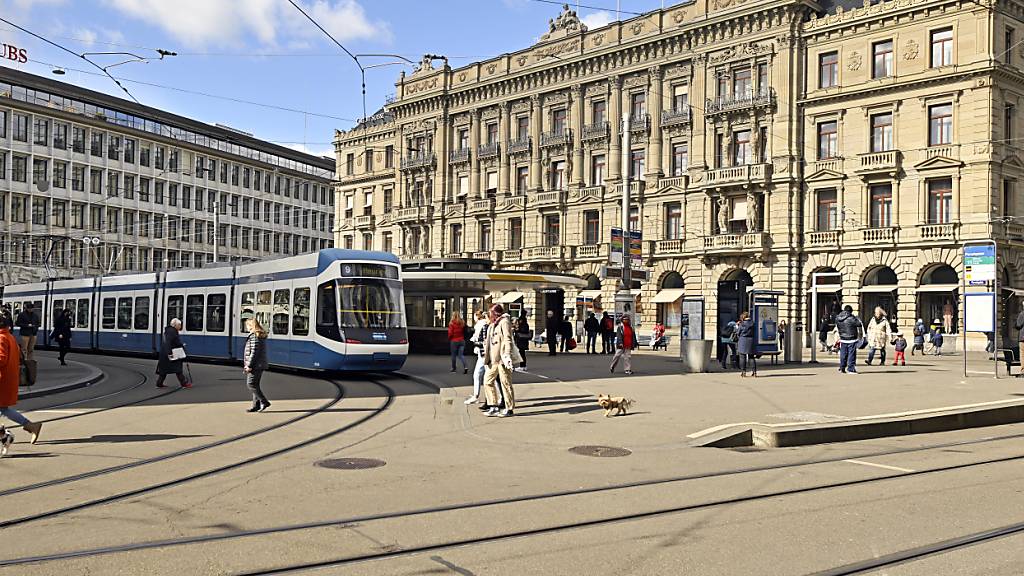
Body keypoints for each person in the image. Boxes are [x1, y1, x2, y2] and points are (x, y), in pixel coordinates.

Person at [0, 314, 42, 444]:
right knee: (4, 409)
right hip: (8, 378)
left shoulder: (1, 338)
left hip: (2, 379)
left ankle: (27, 427)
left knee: (3, 409)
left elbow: (1, 359)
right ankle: (31, 426)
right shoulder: (10, 337)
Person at [483, 304, 517, 417]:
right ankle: (493, 406)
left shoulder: (504, 322)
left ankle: (509, 408)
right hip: (493, 360)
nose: (489, 315)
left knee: (506, 383)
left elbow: (508, 339)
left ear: (495, 313)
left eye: (490, 313)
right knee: (487, 381)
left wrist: (507, 355)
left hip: (502, 359)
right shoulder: (493, 324)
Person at [242, 317, 271, 412]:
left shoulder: (254, 336)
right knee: (255, 385)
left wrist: (249, 365)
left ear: (251, 325)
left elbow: (254, 352)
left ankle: (264, 401)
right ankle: (256, 406)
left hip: (256, 365)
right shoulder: (258, 335)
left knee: (250, 384)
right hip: (259, 364)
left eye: (247, 325)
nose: (246, 327)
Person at [156, 318, 192, 388]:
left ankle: (159, 383)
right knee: (178, 369)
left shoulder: (170, 331)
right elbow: (169, 342)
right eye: (179, 325)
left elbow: (173, 342)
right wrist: (170, 353)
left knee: (164, 370)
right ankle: (184, 383)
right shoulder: (172, 332)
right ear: (175, 325)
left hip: (165, 353)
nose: (180, 327)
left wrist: (181, 345)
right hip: (171, 353)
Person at [465, 310, 489, 405]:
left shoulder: (482, 325)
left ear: (477, 316)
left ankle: (477, 396)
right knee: (489, 377)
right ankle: (497, 398)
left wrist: (475, 344)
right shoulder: (482, 325)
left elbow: (483, 340)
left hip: (483, 354)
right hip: (483, 354)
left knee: (479, 375)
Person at [835, 304, 864, 374]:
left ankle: (842, 368)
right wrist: (856, 317)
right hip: (851, 338)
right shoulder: (851, 318)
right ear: (850, 311)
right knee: (851, 354)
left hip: (843, 338)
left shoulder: (838, 318)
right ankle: (850, 369)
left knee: (843, 354)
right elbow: (859, 324)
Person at [736, 312, 757, 377]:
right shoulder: (753, 323)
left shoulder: (742, 324)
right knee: (751, 357)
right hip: (751, 340)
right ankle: (754, 372)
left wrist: (737, 326)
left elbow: (738, 333)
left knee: (742, 357)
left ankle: (743, 372)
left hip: (743, 340)